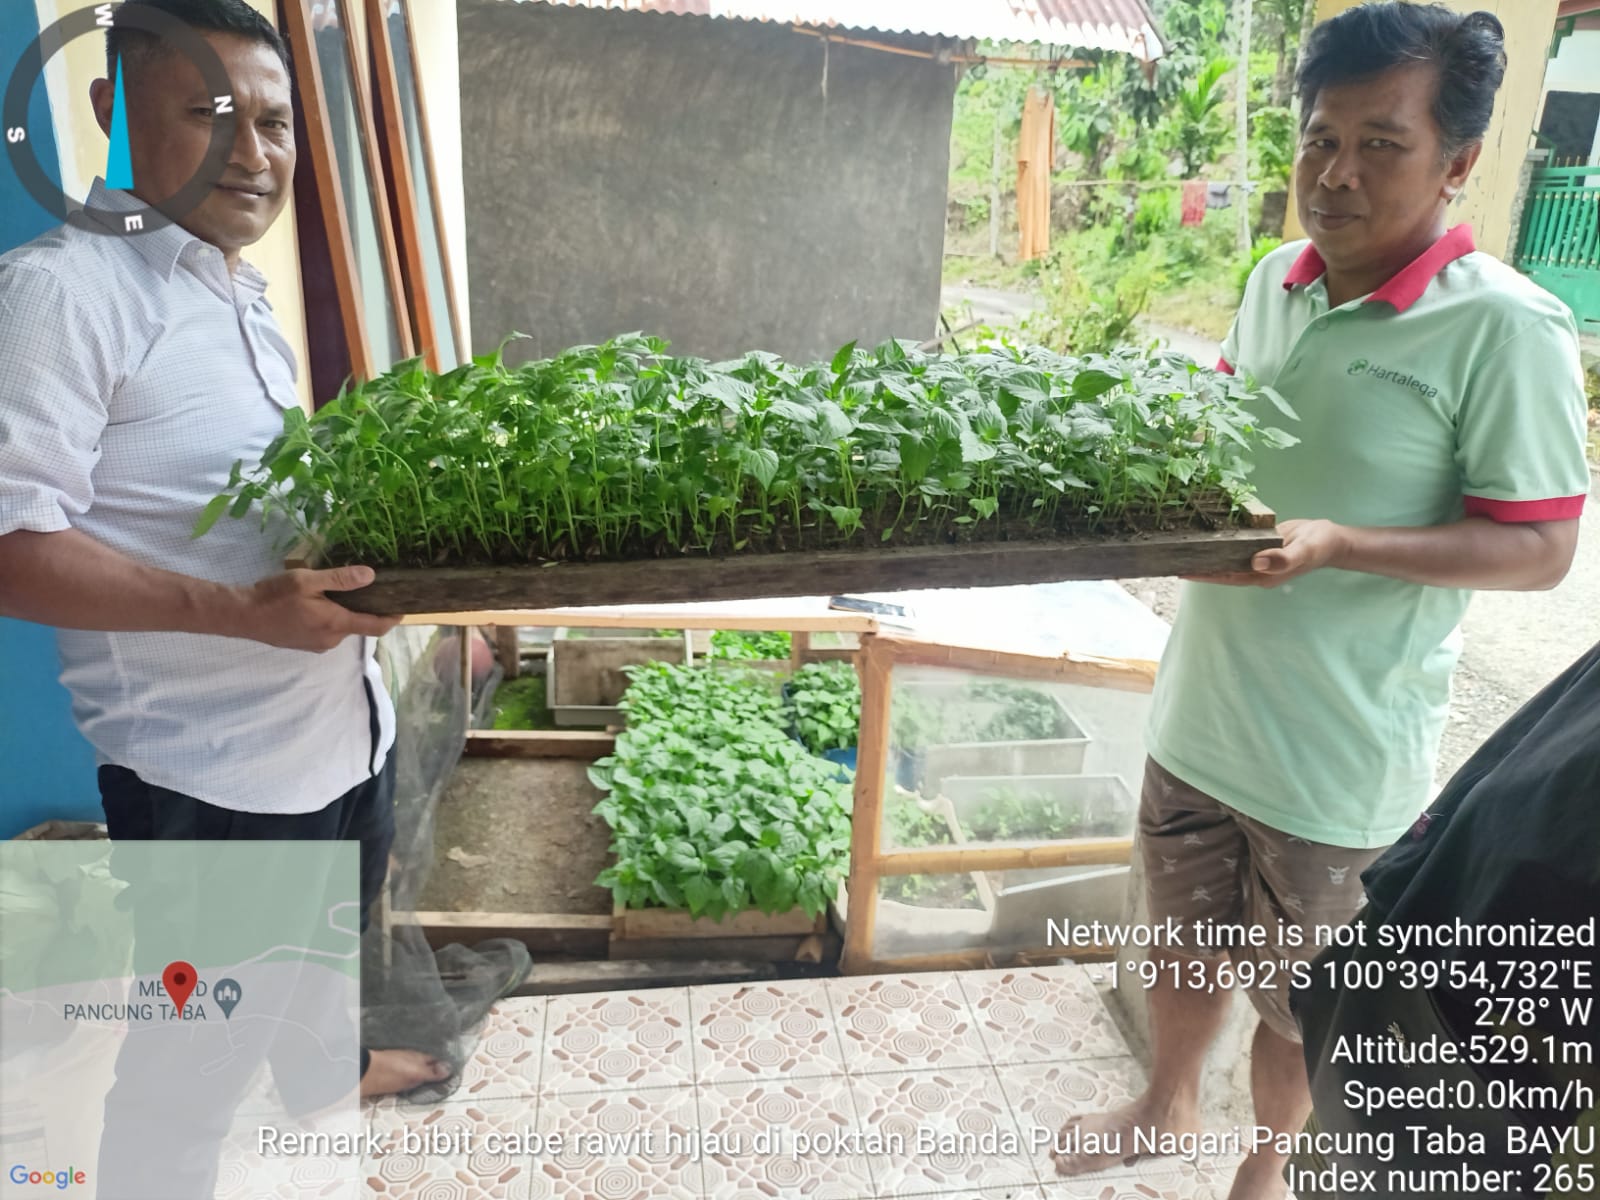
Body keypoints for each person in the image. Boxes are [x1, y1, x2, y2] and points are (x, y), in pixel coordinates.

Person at [1050, 5, 1590, 1199]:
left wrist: (1345, 543)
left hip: (1337, 761)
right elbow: (1228, 443)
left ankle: (1270, 1155)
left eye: (1380, 144)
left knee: (1304, 994)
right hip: (1201, 712)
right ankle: (1164, 1097)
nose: (1333, 174)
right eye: (1316, 138)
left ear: (1456, 162)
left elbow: (1544, 549)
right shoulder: (1269, 279)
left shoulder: (1505, 328)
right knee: (1184, 940)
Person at [0, 0, 447, 1101]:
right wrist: (243, 613)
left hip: (334, 733)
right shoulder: (62, 294)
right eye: (209, 114)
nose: (254, 154)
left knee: (326, 953)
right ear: (110, 111)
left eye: (275, 122)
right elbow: (10, 549)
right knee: (190, 1067)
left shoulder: (230, 291)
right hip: (216, 781)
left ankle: (325, 1078)